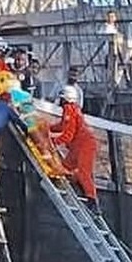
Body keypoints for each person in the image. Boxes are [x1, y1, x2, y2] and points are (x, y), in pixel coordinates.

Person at [50, 85, 98, 213]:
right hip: (78, 145)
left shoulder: (69, 110)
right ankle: (80, 189)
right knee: (65, 168)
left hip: (84, 144)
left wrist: (53, 141)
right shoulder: (73, 110)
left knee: (84, 172)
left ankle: (92, 201)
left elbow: (67, 135)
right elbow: (63, 126)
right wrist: (49, 128)